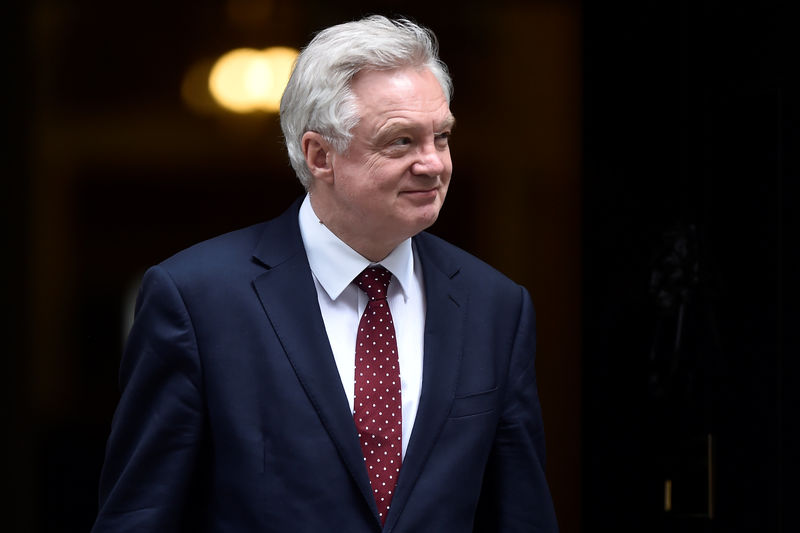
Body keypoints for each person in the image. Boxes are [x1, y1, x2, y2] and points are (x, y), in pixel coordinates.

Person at [92, 15, 558, 533]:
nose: (433, 164)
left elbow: (522, 513)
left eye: (441, 137)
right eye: (401, 141)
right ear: (320, 155)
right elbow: (139, 516)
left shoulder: (495, 306)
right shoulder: (196, 300)